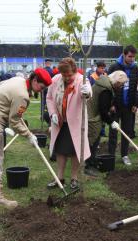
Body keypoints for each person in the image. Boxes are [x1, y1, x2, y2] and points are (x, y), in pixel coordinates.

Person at [0, 68, 52, 217]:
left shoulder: (19, 81)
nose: (41, 91)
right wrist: (28, 135)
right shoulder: (22, 95)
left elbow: (13, 111)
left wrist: (28, 132)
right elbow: (14, 121)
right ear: (34, 80)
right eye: (41, 87)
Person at [46, 57, 92, 190]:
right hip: (60, 122)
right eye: (63, 75)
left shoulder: (81, 80)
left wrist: (87, 92)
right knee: (60, 150)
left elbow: (89, 91)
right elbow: (49, 97)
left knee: (74, 151)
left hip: (76, 122)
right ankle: (59, 179)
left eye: (69, 75)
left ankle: (74, 178)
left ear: (74, 71)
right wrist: (53, 113)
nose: (66, 77)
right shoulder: (55, 80)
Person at [85, 70, 128, 176]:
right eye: (121, 85)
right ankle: (88, 166)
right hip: (92, 117)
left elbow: (103, 104)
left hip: (92, 113)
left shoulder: (104, 82)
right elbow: (103, 110)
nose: (121, 87)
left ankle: (92, 162)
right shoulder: (106, 89)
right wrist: (112, 122)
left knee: (94, 140)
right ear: (117, 82)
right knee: (93, 140)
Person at [107, 45, 138, 166]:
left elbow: (136, 88)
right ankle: (111, 155)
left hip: (128, 106)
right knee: (113, 131)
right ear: (124, 55)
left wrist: (136, 103)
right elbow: (108, 86)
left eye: (133, 57)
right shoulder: (114, 67)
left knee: (127, 131)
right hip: (116, 105)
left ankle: (124, 155)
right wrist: (110, 104)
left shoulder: (135, 68)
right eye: (130, 56)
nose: (132, 59)